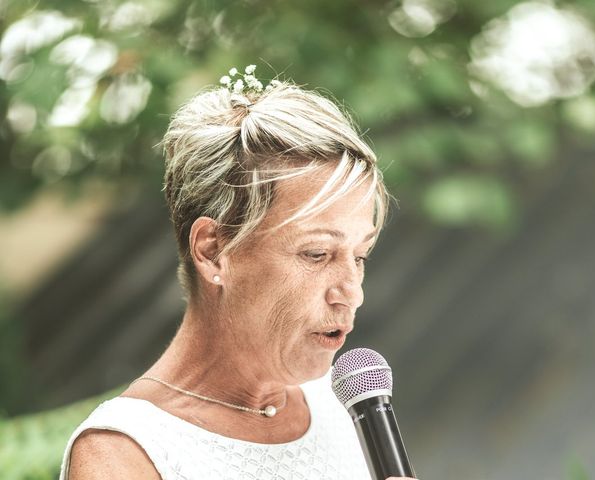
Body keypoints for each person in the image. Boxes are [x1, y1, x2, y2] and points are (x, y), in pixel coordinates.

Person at [59, 65, 415, 480]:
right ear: (213, 250)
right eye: (317, 254)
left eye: (360, 256)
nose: (352, 293)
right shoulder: (122, 454)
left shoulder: (348, 405)